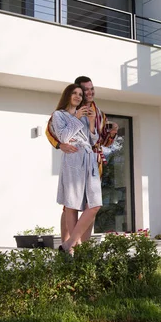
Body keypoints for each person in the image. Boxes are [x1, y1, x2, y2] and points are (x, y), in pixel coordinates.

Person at [46, 76, 118, 246]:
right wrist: (59, 145)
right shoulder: (63, 113)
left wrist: (112, 132)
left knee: (91, 206)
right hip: (74, 158)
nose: (89, 92)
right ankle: (68, 245)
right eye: (84, 90)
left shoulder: (99, 114)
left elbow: (101, 141)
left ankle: (80, 247)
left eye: (91, 89)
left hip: (94, 161)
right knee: (70, 205)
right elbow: (51, 131)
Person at [50, 83, 102, 253]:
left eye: (80, 94)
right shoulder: (59, 115)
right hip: (72, 158)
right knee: (71, 204)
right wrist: (77, 117)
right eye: (75, 93)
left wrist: (92, 122)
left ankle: (68, 244)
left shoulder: (85, 116)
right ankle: (74, 249)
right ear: (67, 95)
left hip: (88, 158)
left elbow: (93, 141)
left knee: (94, 204)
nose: (78, 96)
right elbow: (63, 137)